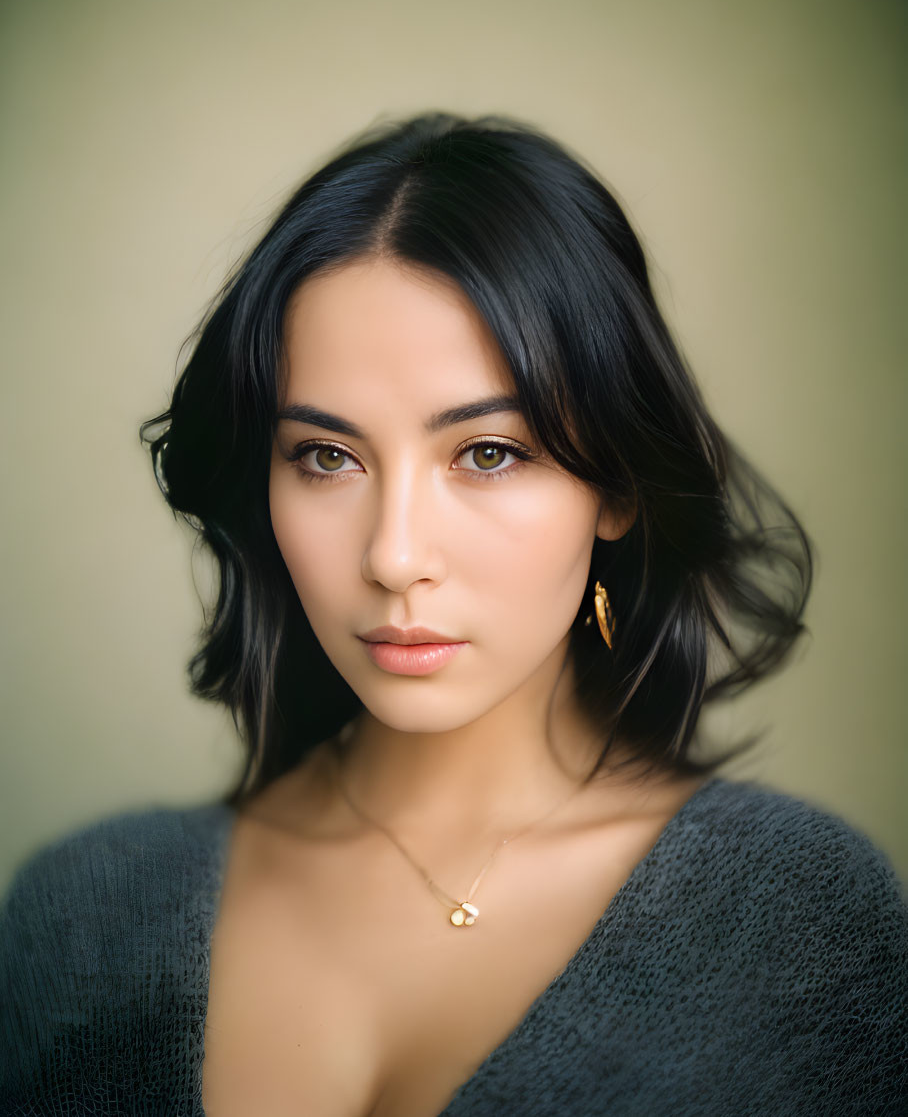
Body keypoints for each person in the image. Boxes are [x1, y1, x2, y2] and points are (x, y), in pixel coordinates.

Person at [1, 113, 904, 1116]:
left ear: (616, 486)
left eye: (486, 453)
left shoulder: (795, 920)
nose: (392, 556)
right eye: (325, 457)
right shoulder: (78, 920)